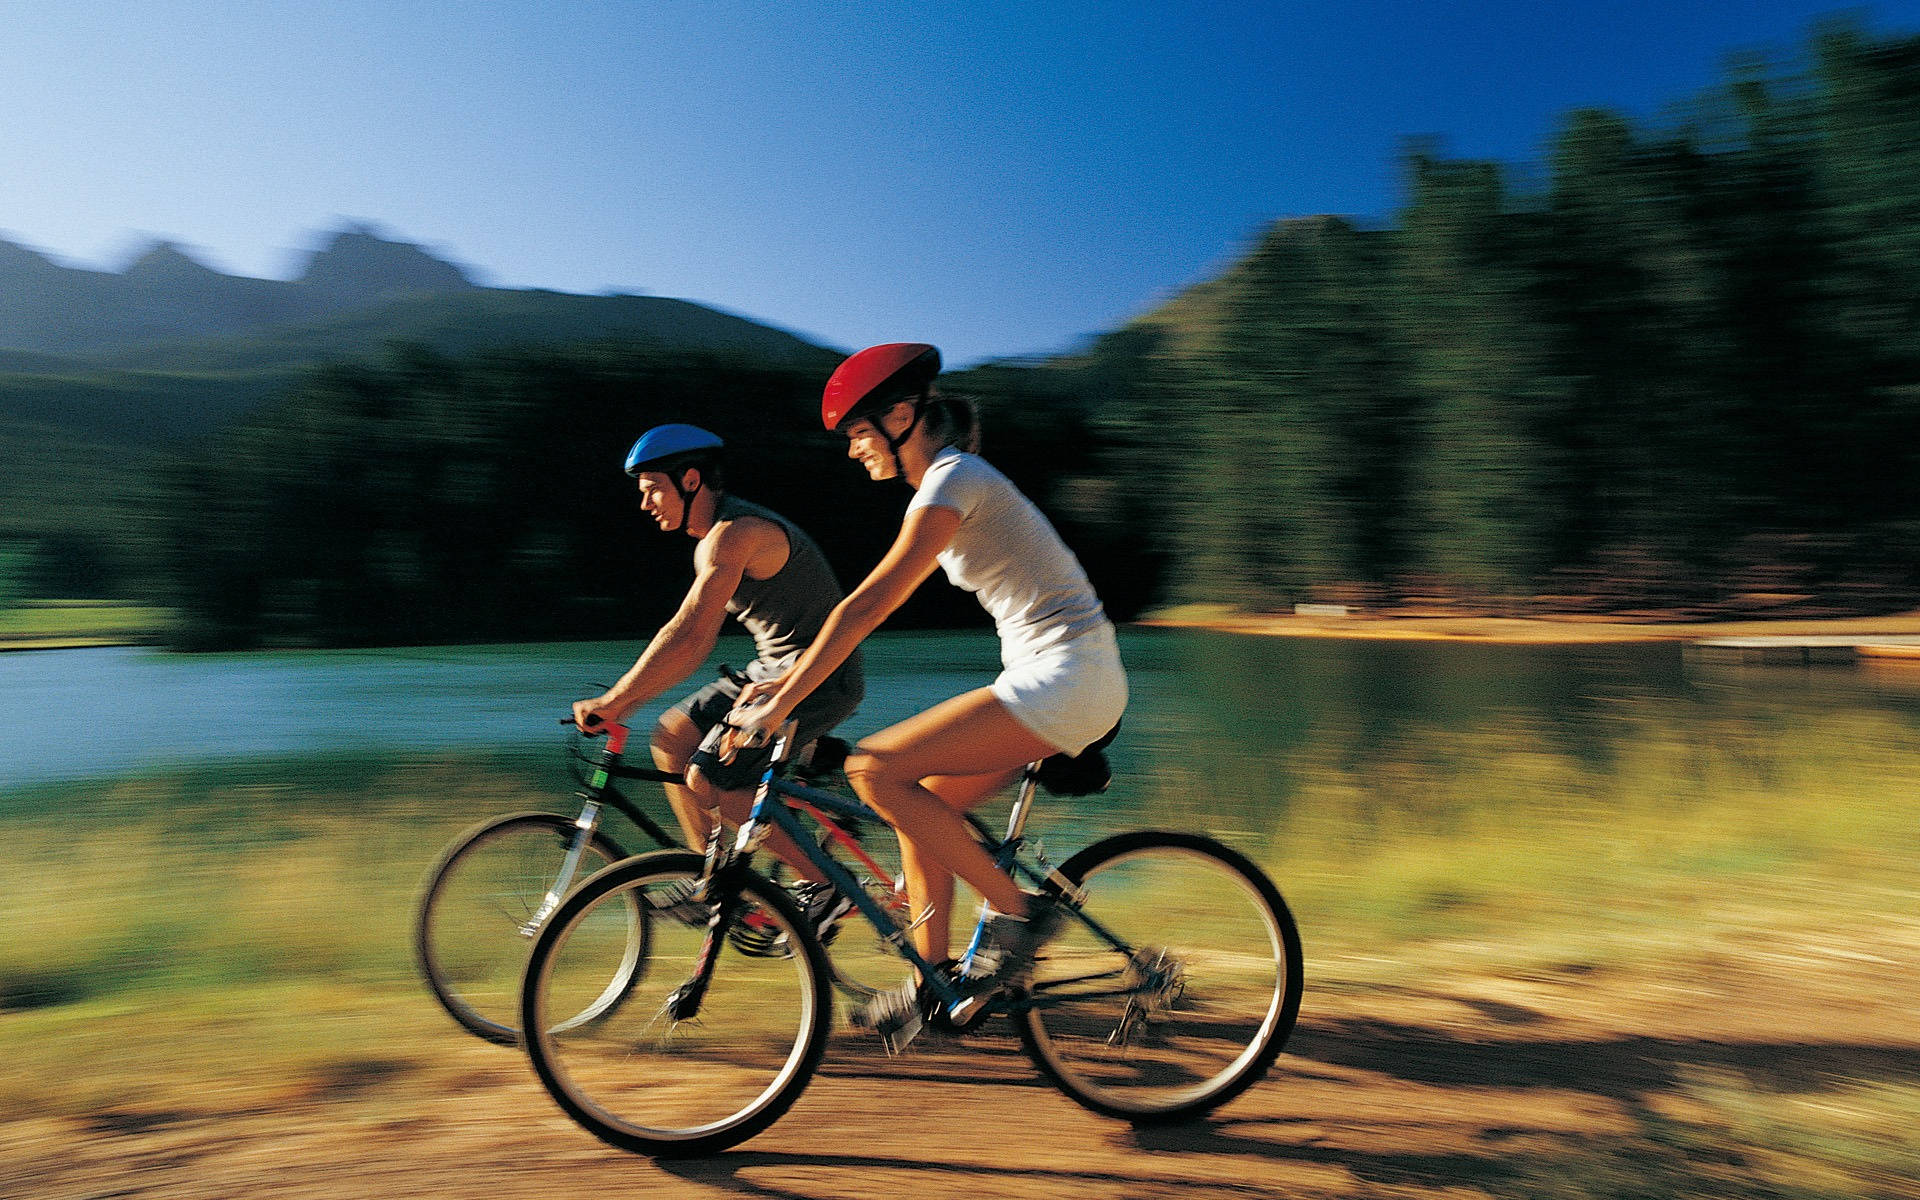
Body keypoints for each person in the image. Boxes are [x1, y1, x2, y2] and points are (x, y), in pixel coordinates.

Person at [729, 343, 1127, 1044]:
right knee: (924, 805)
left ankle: (1019, 911)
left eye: (858, 433)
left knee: (873, 768)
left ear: (902, 416)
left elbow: (866, 606)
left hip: (1068, 675)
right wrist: (784, 690)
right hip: (1058, 676)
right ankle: (933, 985)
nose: (853, 451)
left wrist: (781, 698)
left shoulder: (952, 480)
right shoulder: (947, 487)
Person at [572, 422, 864, 938]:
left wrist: (617, 699)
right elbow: (695, 646)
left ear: (689, 480)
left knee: (719, 784)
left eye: (652, 490)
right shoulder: (711, 541)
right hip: (769, 669)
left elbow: (688, 634)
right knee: (671, 737)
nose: (646, 505)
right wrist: (630, 704)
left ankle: (825, 886)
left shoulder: (737, 535)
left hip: (821, 673)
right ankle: (707, 876)